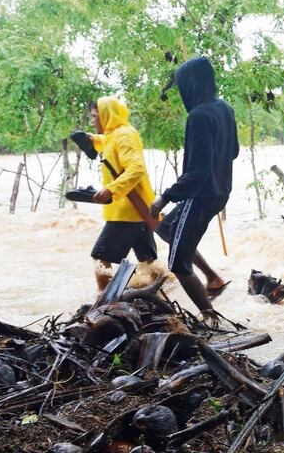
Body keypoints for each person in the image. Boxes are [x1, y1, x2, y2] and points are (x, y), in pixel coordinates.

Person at [150, 56, 236, 318]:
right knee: (166, 228)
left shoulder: (198, 116)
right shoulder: (224, 108)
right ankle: (212, 278)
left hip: (200, 196)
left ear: (192, 85)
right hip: (220, 192)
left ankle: (210, 318)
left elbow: (198, 171)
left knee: (177, 263)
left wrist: (166, 197)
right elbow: (233, 152)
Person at [83, 97, 158, 291]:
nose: (92, 121)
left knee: (101, 257)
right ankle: (159, 293)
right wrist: (92, 138)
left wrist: (110, 189)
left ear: (107, 116)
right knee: (148, 261)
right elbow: (108, 143)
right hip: (138, 209)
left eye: (95, 117)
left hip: (127, 210)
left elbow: (136, 168)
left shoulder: (123, 135)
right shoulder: (116, 134)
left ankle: (104, 301)